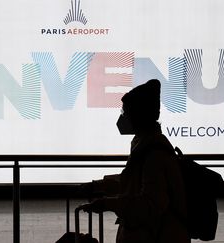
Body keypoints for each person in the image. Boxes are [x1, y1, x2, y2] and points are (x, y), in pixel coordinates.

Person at [81, 79, 190, 243]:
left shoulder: (154, 154)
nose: (123, 117)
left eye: (126, 113)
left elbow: (149, 204)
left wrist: (108, 204)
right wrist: (97, 186)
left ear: (138, 115)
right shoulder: (144, 144)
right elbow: (131, 181)